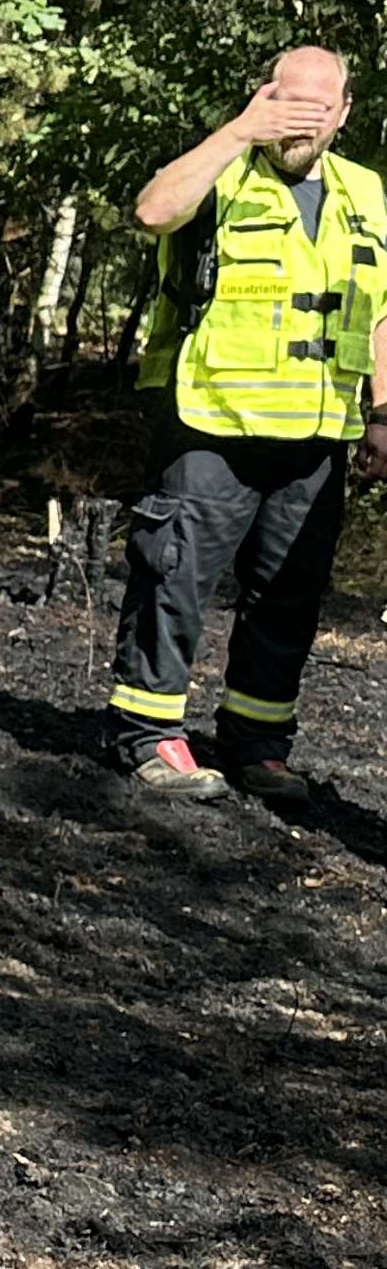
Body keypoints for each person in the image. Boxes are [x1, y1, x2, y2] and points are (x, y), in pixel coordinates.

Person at [105, 45, 384, 801]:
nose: (303, 121)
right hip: (211, 425)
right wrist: (239, 131)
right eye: (290, 102)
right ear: (265, 96)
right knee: (173, 581)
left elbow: (381, 310)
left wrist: (383, 415)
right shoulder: (222, 169)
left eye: (319, 108)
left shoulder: (365, 192)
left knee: (288, 600)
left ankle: (257, 745)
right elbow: (152, 211)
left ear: (344, 113)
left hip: (317, 436)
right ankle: (147, 736)